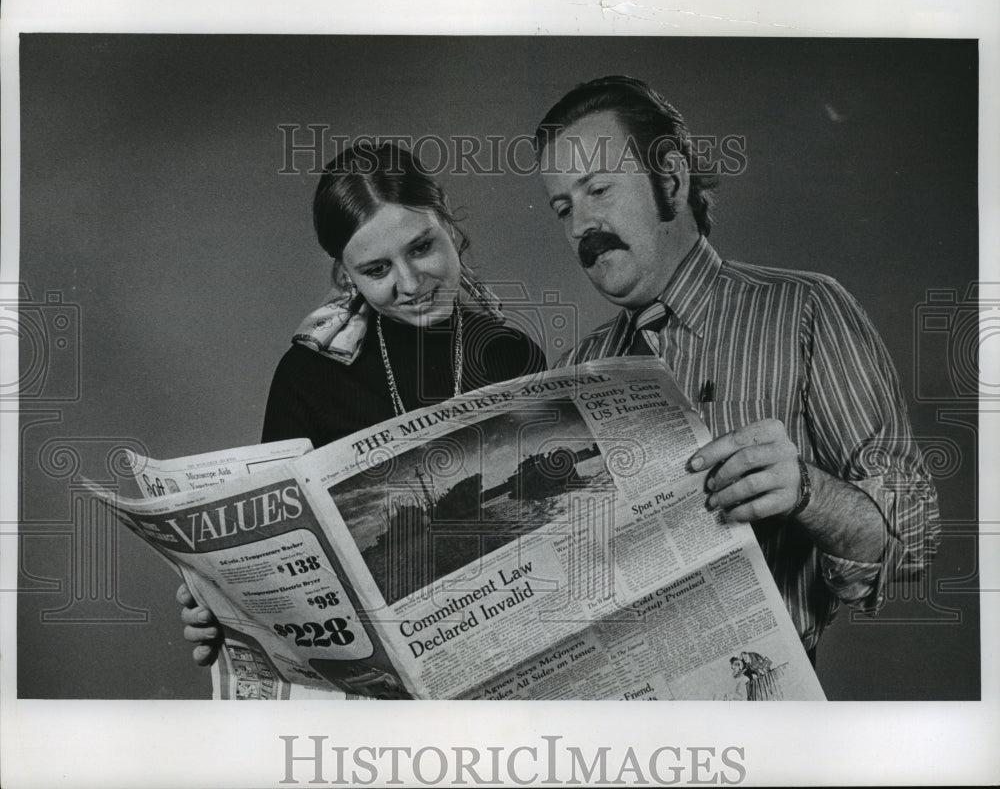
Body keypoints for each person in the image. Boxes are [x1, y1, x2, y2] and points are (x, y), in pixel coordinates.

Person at [534, 75, 940, 660]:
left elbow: (915, 535)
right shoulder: (574, 369)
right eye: (563, 208)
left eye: (598, 190)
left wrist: (808, 492)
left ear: (669, 180)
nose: (579, 228)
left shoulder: (806, 309)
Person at [178, 143, 546, 665]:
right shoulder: (308, 376)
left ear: (449, 226)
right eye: (377, 270)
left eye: (422, 248)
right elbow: (275, 557)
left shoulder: (512, 351)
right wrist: (224, 610)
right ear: (347, 276)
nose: (412, 284)